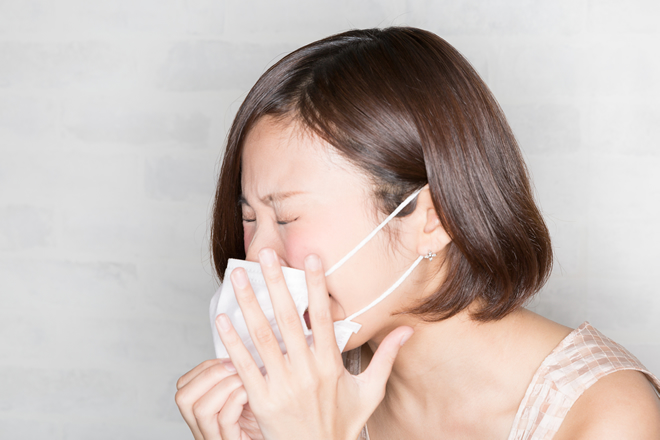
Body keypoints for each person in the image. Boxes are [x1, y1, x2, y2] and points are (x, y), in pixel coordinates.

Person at [174, 27, 660, 439]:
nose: (260, 254)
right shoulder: (308, 391)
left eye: (286, 219)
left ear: (432, 219)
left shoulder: (606, 417)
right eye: (250, 217)